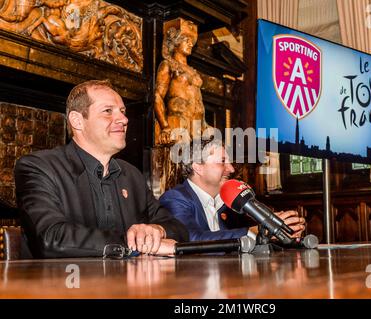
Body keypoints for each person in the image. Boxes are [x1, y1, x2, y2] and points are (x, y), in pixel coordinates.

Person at [14, 80, 188, 258]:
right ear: (77, 121)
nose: (124, 119)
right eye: (107, 111)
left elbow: (177, 228)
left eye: (122, 112)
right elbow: (51, 238)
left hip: (128, 283)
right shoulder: (38, 167)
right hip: (64, 282)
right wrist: (137, 244)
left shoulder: (131, 175)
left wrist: (155, 230)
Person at [159, 138, 306, 241]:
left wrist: (278, 228)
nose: (231, 168)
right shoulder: (175, 198)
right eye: (222, 162)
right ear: (197, 167)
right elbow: (190, 239)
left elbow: (248, 232)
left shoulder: (230, 200)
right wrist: (255, 232)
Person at [154, 18, 211, 145]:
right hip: (178, 121)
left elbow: (198, 100)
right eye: (187, 40)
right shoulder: (168, 65)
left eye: (192, 41)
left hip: (197, 125)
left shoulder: (193, 71)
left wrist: (204, 124)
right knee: (177, 161)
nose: (191, 44)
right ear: (175, 42)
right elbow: (157, 96)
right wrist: (165, 126)